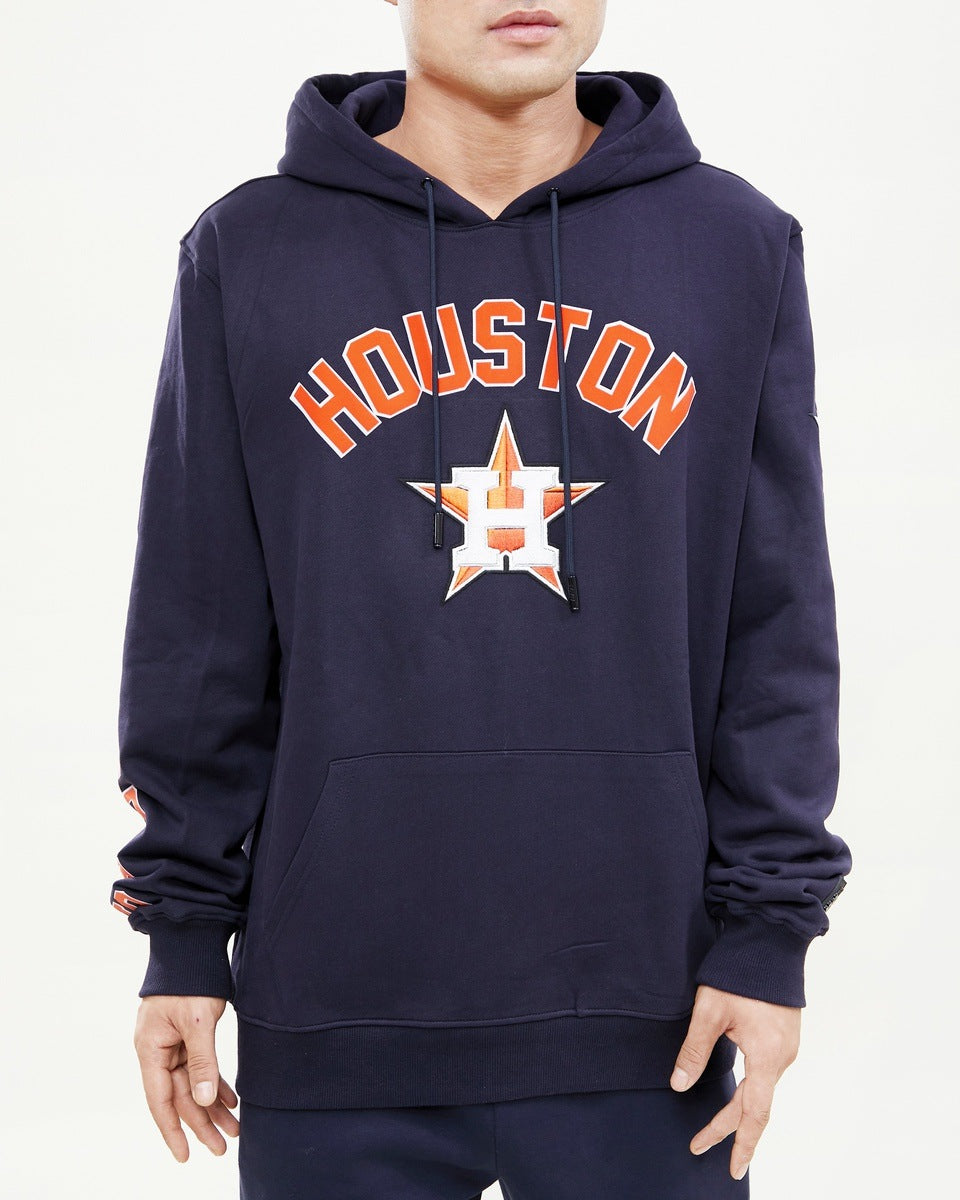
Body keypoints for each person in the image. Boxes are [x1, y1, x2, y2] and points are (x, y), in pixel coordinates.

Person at [110, 1, 854, 1196]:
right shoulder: (250, 250)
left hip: (654, 1012)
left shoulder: (732, 245)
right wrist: (182, 933)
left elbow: (778, 627)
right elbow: (199, 625)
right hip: (338, 1009)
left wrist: (770, 937)